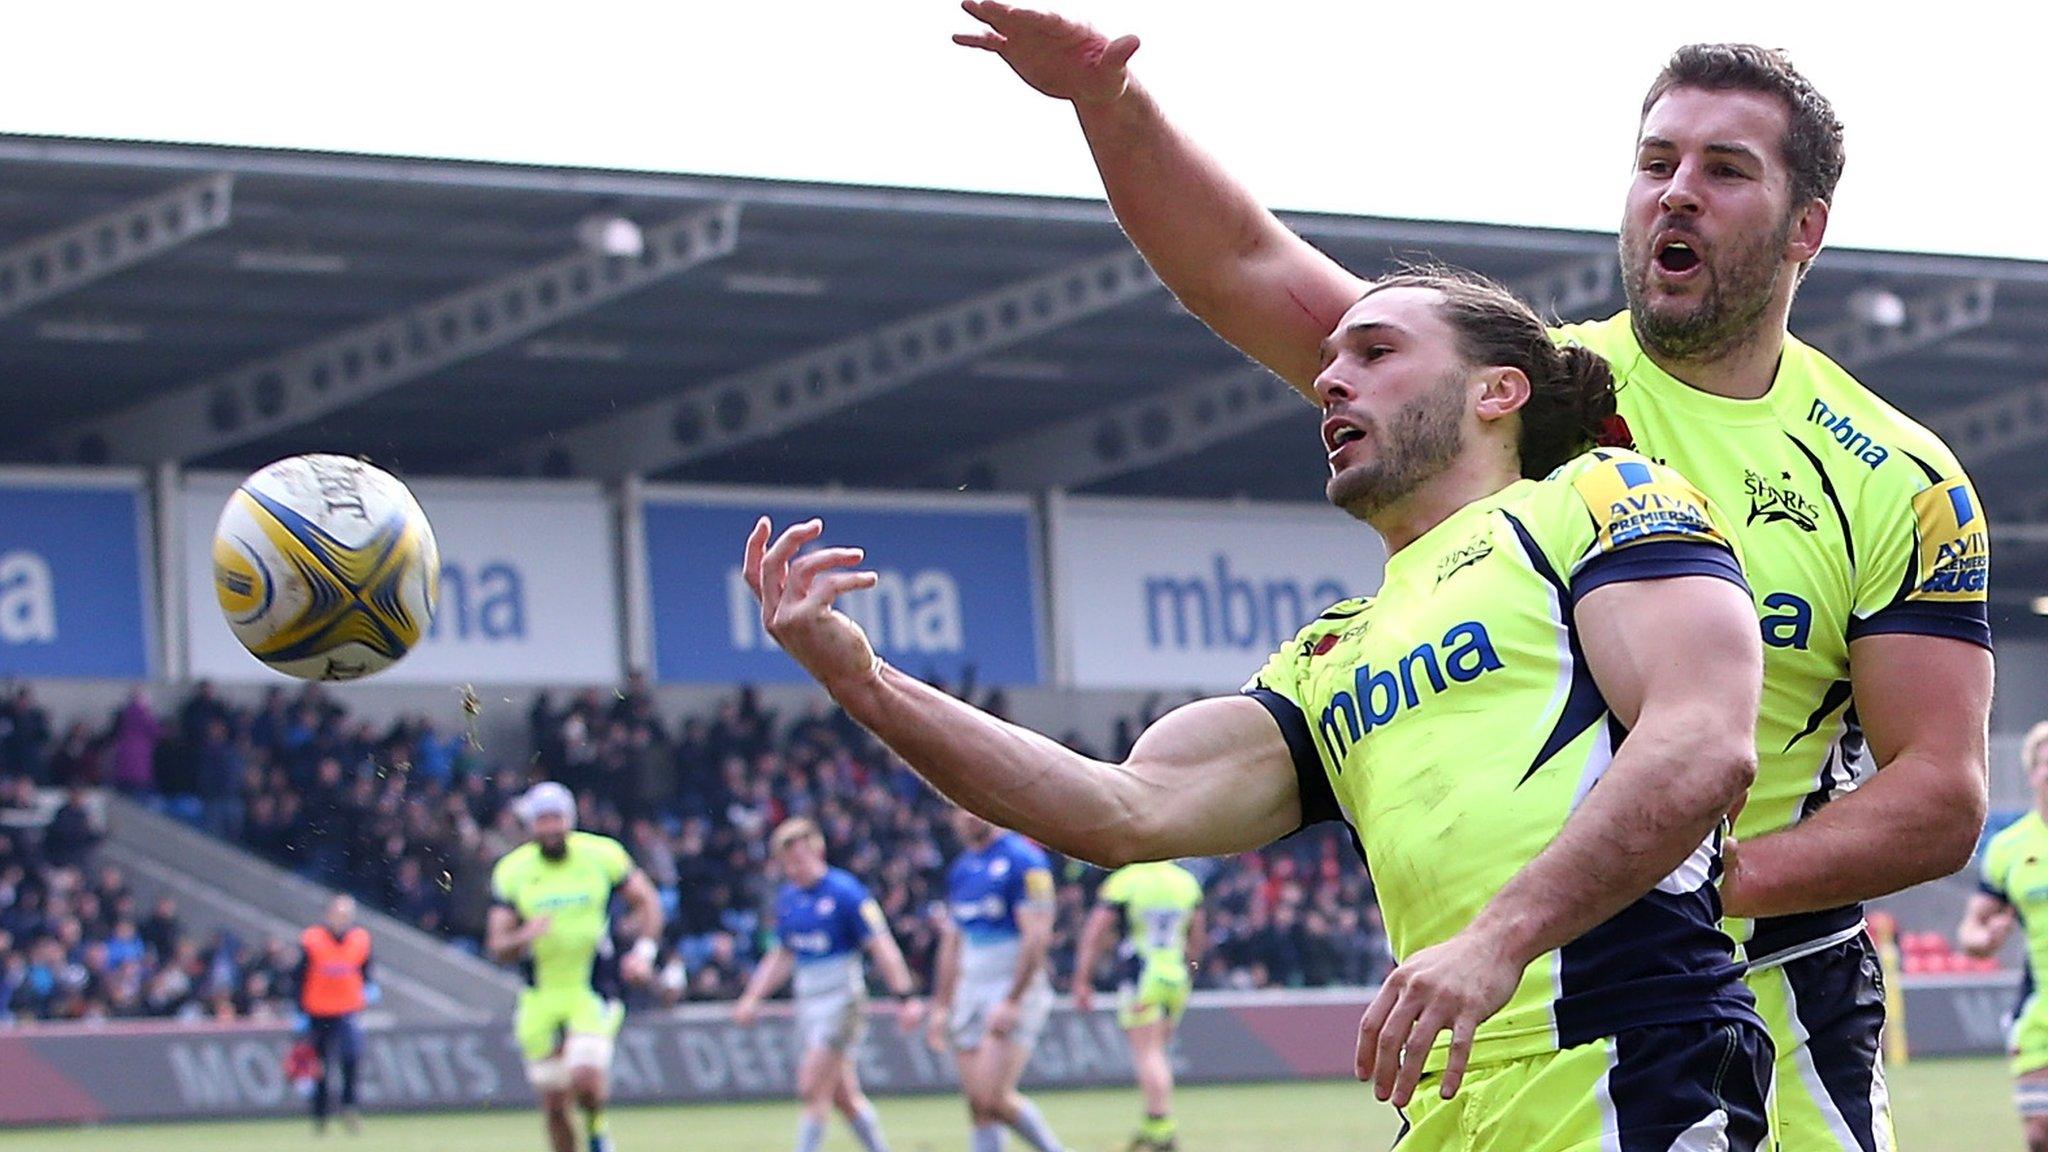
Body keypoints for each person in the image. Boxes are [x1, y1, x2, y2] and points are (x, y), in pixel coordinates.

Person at [951, 12, 1994, 1149]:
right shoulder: (1525, 401)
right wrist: (1109, 105)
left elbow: (1936, 794)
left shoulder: (1897, 478)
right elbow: (1248, 267)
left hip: (1779, 994)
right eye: (1654, 163)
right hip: (1536, 1002)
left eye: (1720, 169)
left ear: (1806, 227)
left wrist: (1686, 873)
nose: (1673, 192)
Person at [745, 267, 1771, 1149]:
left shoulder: (1592, 498)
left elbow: (1700, 741)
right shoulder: (1332, 650)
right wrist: (864, 684)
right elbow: (1120, 808)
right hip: (1451, 1095)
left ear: (1496, 390)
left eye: (1374, 351)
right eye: (1328, 361)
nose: (1328, 376)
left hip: (1635, 1055)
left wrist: (1498, 938)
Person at [486, 782, 663, 1152]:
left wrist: (643, 952)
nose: (550, 827)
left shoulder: (602, 855)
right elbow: (497, 945)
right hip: (541, 996)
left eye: (556, 818)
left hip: (592, 988)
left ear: (570, 820)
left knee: (585, 1078)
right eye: (542, 820)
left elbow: (646, 900)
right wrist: (523, 936)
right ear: (530, 825)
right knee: (553, 1105)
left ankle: (598, 1130)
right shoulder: (512, 871)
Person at [734, 817, 924, 1152]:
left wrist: (905, 996)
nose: (793, 869)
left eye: (799, 860)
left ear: (817, 852)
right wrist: (753, 997)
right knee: (843, 1096)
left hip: (842, 1002)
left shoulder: (846, 892)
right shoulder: (788, 899)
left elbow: (881, 945)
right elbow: (782, 955)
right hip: (809, 1004)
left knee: (811, 1087)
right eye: (787, 863)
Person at [928, 807, 1067, 1152]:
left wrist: (1013, 999)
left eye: (975, 808)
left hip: (1008, 988)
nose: (968, 816)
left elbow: (1036, 936)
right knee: (978, 1104)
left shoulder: (1025, 861)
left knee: (993, 1097)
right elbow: (952, 942)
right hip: (970, 990)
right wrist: (942, 1004)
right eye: (960, 809)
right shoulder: (960, 870)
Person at [1071, 860, 1205, 1152]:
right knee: (1158, 1051)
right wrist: (1191, 970)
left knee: (1148, 1053)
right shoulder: (1186, 882)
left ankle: (1161, 1128)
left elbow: (1096, 930)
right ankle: (1152, 1124)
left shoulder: (1127, 880)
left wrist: (1082, 979)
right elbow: (1196, 939)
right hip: (1174, 974)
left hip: (1142, 974)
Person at [1959, 721, 2048, 1151]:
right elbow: (1971, 932)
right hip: (2040, 1013)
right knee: (2039, 1133)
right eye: (2045, 763)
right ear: (2033, 772)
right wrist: (1986, 938)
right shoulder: (2009, 847)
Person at [296, 894, 375, 1135]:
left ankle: (349, 1108)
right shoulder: (312, 940)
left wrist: (369, 991)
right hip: (318, 1011)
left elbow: (366, 971)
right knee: (320, 1066)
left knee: (350, 1059)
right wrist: (298, 1009)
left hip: (347, 1010)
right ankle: (320, 1116)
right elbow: (298, 976)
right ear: (328, 915)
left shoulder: (360, 940)